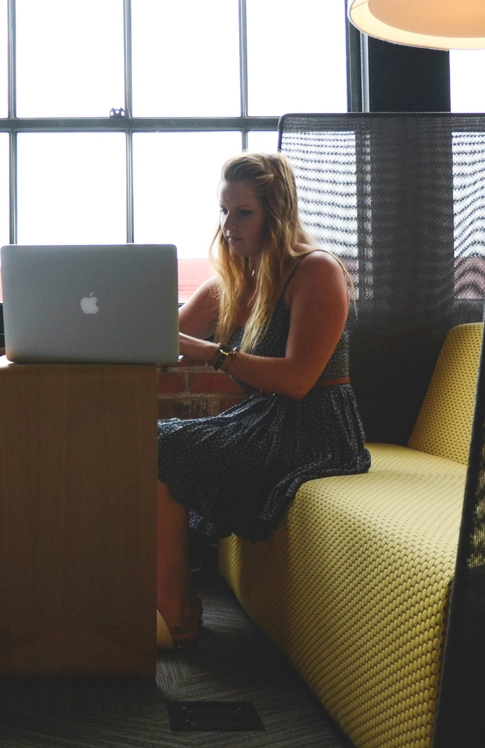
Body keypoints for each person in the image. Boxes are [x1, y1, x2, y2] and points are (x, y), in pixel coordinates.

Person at [155, 152, 371, 648]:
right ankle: (173, 599)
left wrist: (216, 355)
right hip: (263, 419)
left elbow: (298, 380)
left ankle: (175, 609)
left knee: (163, 447)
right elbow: (160, 339)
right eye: (224, 211)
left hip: (316, 427)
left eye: (243, 212)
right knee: (154, 441)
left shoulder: (316, 271)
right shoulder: (231, 282)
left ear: (277, 214)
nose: (228, 225)